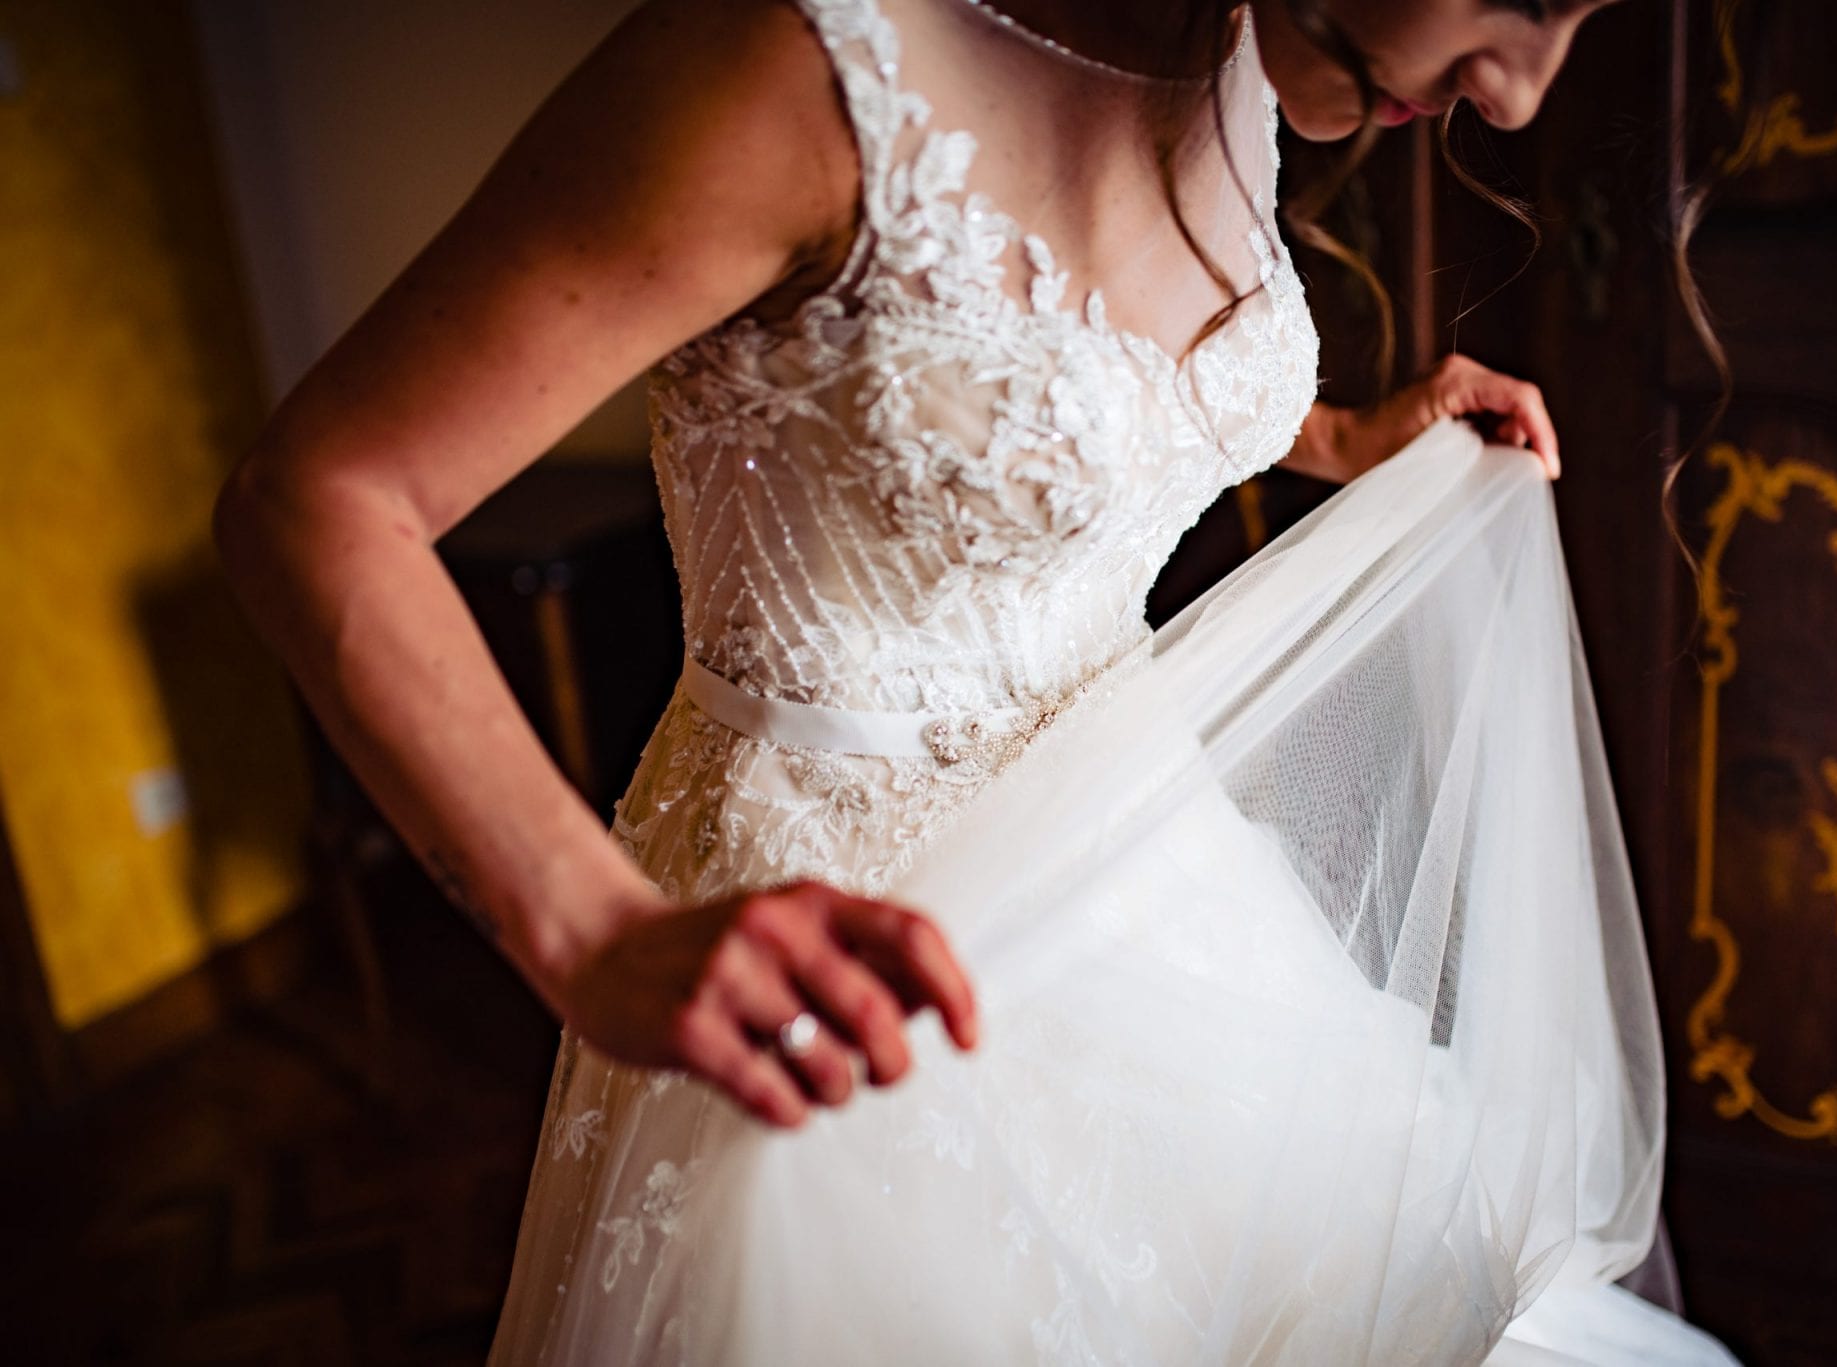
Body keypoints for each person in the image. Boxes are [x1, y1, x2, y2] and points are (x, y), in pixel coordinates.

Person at [214, 1, 1739, 1361]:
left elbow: (1076, 375)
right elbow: (320, 499)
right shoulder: (794, 71)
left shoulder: (1236, 54)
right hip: (852, 944)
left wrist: (1343, 435)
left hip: (1152, 881)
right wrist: (588, 931)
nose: (1521, 95)